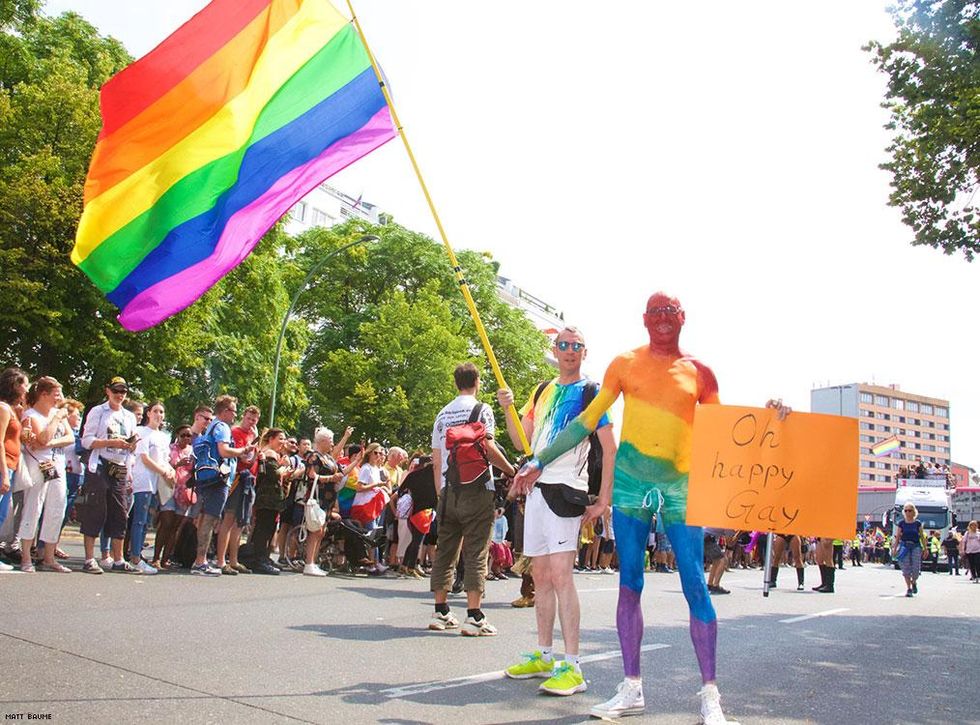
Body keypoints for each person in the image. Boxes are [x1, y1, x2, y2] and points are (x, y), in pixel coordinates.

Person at [514, 292, 786, 724]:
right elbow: (586, 422)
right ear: (644, 319)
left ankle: (710, 695)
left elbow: (728, 429)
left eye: (669, 312)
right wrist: (538, 459)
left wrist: (770, 417)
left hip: (679, 486)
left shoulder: (700, 371)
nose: (662, 319)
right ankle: (631, 688)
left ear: (683, 318)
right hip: (630, 485)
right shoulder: (624, 364)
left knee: (695, 581)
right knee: (629, 584)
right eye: (655, 312)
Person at [497, 326, 616, 696]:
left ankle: (574, 667)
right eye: (563, 345)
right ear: (554, 349)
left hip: (567, 491)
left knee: (563, 576)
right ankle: (545, 655)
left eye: (575, 345)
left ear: (584, 351)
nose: (569, 350)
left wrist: (603, 500)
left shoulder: (592, 393)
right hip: (535, 489)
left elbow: (610, 449)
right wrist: (507, 410)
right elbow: (523, 440)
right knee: (542, 576)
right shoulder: (543, 390)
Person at [429, 362, 516, 636]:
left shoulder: (442, 415)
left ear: (456, 382)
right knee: (476, 549)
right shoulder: (482, 410)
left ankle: (441, 611)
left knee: (446, 550)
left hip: (448, 490)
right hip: (478, 488)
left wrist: (441, 491)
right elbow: (487, 447)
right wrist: (511, 470)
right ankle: (474, 615)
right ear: (476, 381)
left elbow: (436, 459)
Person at [79, 377, 139, 575]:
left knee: (120, 513)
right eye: (116, 391)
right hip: (100, 465)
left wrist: (130, 445)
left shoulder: (129, 416)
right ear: (108, 391)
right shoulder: (98, 411)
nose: (120, 395)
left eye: (123, 391)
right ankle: (89, 558)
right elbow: (86, 441)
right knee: (95, 510)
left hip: (120, 467)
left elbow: (132, 447)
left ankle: (119, 558)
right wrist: (109, 442)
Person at [191, 395, 254, 577]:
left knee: (205, 518)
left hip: (207, 475)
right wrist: (242, 450)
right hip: (219, 479)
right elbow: (223, 451)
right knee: (210, 519)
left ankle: (199, 560)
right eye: (233, 411)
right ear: (225, 411)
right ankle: (200, 562)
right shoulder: (222, 427)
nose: (235, 415)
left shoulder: (211, 426)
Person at [18, 377, 73, 573]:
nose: (60, 398)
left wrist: (49, 443)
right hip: (38, 464)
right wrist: (56, 419)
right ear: (44, 394)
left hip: (56, 464)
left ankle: (48, 557)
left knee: (57, 507)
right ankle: (26, 555)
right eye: (56, 394)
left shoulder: (58, 415)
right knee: (34, 506)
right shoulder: (31, 415)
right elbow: (41, 437)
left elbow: (69, 437)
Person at [215, 404, 260, 575]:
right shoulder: (235, 432)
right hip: (237, 478)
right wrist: (250, 449)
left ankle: (234, 560)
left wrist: (256, 445)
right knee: (228, 519)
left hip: (248, 481)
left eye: (254, 420)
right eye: (249, 418)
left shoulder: (252, 435)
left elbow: (253, 458)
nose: (250, 422)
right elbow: (242, 457)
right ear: (243, 416)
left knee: (239, 523)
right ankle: (221, 560)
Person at [298, 427, 345, 577]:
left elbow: (341, 473)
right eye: (330, 440)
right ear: (322, 441)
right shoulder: (314, 456)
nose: (332, 443)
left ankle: (313, 561)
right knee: (316, 530)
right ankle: (309, 563)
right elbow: (311, 475)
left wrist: (356, 461)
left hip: (329, 498)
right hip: (318, 496)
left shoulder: (329, 458)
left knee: (321, 530)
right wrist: (331, 478)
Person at [245, 428, 290, 575]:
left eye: (284, 439)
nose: (283, 442)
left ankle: (263, 557)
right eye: (280, 438)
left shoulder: (273, 454)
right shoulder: (269, 453)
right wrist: (284, 466)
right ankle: (259, 559)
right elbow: (274, 474)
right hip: (266, 497)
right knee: (263, 528)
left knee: (269, 527)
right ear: (271, 439)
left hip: (272, 498)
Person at [892, 503, 926, 597]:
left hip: (915, 546)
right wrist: (894, 549)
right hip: (904, 547)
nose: (907, 512)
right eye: (905, 510)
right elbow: (898, 537)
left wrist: (925, 549)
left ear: (913, 511)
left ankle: (914, 582)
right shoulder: (901, 523)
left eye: (909, 510)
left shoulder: (917, 523)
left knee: (916, 569)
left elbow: (922, 537)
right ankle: (909, 588)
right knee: (906, 568)